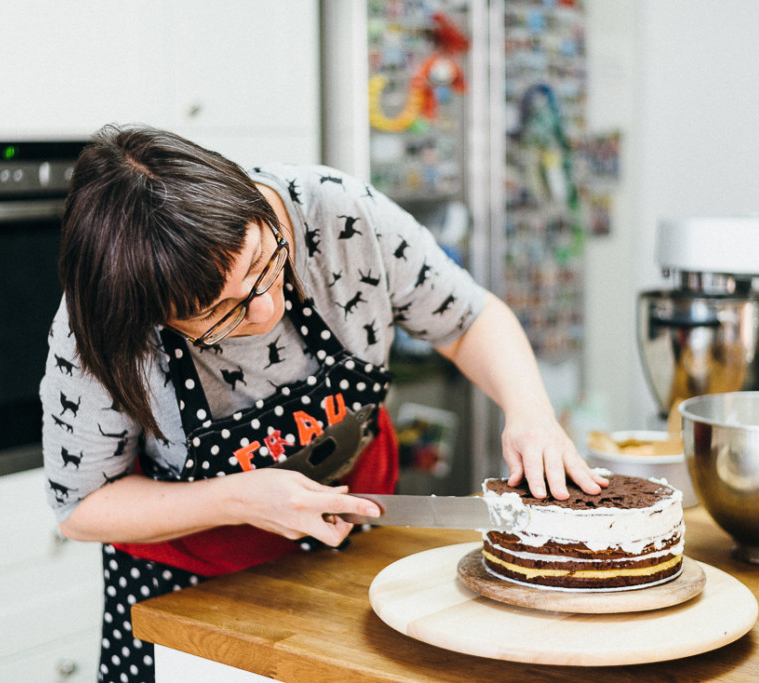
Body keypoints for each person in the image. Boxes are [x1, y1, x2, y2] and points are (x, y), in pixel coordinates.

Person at [40, 124, 606, 682]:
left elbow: (468, 319)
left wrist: (531, 413)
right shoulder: (100, 326)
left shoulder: (337, 214)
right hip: (189, 595)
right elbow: (82, 508)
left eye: (266, 262)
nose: (266, 310)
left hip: (356, 549)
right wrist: (237, 499)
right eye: (221, 311)